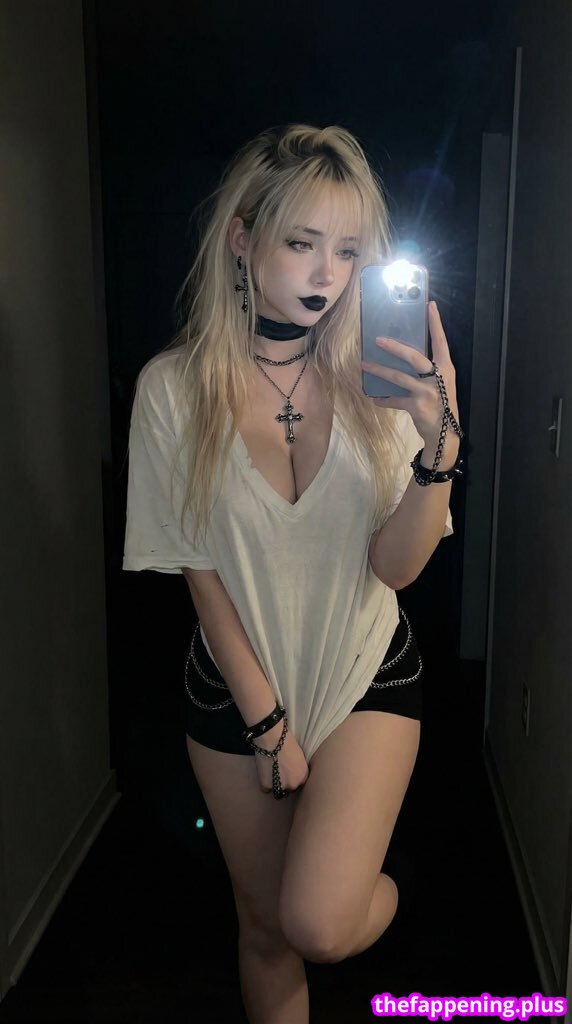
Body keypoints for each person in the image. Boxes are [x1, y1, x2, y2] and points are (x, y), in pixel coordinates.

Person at [122, 123, 463, 1024]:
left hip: (363, 669)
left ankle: (370, 884)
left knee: (319, 921)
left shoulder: (379, 384)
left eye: (347, 252)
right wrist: (268, 727)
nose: (327, 274)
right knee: (267, 929)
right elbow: (199, 573)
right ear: (243, 239)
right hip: (237, 687)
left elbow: (396, 568)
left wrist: (439, 446)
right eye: (302, 243)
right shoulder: (173, 390)